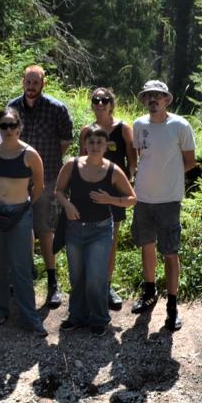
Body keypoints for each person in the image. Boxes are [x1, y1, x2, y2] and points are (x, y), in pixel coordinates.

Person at [55, 125, 137, 336]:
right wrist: (68, 205)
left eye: (99, 142)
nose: (94, 146)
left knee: (95, 277)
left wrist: (110, 199)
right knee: (77, 276)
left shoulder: (113, 170)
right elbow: (59, 191)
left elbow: (132, 199)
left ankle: (99, 318)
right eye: (90, 142)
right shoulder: (71, 165)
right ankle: (77, 316)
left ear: (106, 146)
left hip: (100, 230)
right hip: (74, 229)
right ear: (84, 144)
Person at [130, 79, 196, 331]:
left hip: (169, 199)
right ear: (144, 100)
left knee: (170, 252)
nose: (152, 100)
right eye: (148, 96)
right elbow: (138, 157)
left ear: (167, 99)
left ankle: (172, 306)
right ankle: (149, 292)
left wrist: (169, 177)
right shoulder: (139, 125)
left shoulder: (180, 125)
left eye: (157, 96)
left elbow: (189, 161)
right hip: (143, 198)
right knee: (147, 246)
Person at [7, 65, 73, 309]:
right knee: (20, 228)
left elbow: (65, 141)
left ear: (43, 83)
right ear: (23, 81)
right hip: (18, 178)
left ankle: (53, 282)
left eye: (36, 82)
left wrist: (42, 164)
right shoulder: (13, 108)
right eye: (28, 82)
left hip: (47, 178)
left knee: (45, 229)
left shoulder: (56, 109)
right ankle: (23, 277)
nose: (32, 87)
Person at [0, 107, 47, 336]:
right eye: (3, 125)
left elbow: (39, 186)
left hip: (20, 213)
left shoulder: (30, 155)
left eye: (12, 125)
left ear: (19, 127)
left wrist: (24, 203)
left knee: (21, 266)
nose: (8, 130)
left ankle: (29, 317)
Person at [78, 87, 137, 310]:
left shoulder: (123, 129)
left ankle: (106, 286)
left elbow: (132, 162)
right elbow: (80, 161)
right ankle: (87, 287)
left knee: (110, 242)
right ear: (92, 104)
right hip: (88, 193)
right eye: (96, 100)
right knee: (85, 239)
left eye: (104, 100)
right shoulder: (87, 131)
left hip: (114, 194)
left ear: (112, 103)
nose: (100, 103)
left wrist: (125, 188)